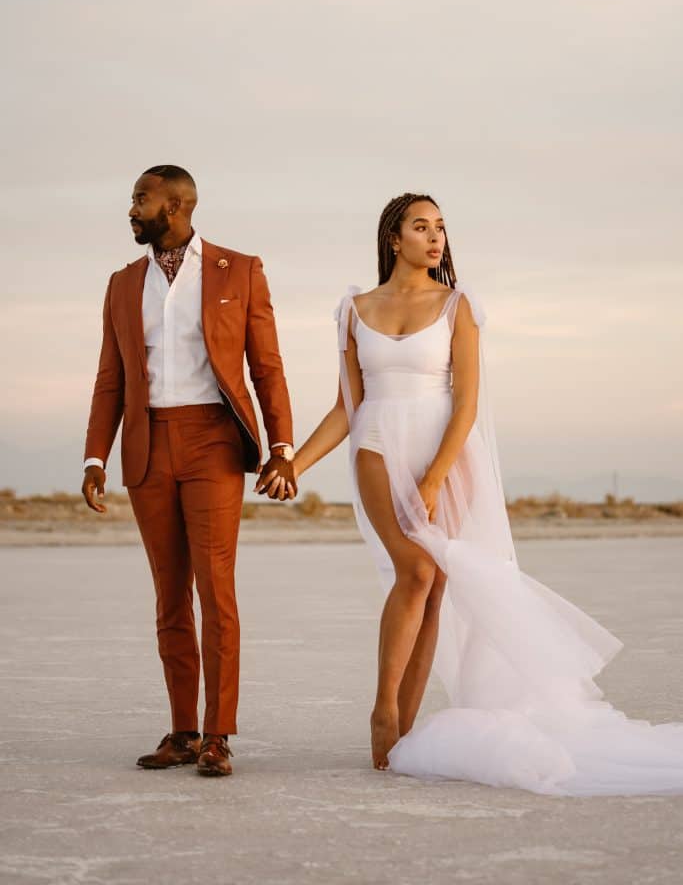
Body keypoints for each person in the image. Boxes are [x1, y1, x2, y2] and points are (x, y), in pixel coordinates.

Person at [292, 191, 683, 795]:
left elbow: (467, 401)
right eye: (421, 227)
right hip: (376, 442)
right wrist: (295, 463)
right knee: (414, 572)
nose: (435, 237)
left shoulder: (459, 305)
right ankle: (384, 710)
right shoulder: (352, 308)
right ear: (393, 239)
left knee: (436, 580)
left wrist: (433, 475)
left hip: (446, 451)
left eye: (441, 227)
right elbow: (347, 404)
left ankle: (403, 724)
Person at [82, 164, 296, 777]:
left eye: (140, 200)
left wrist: (281, 447)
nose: (131, 210)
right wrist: (96, 455)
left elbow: (268, 367)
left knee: (215, 590)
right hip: (147, 446)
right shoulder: (123, 283)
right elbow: (110, 378)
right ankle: (182, 729)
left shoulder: (239, 269)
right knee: (169, 596)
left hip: (213, 444)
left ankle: (217, 735)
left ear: (175, 206)